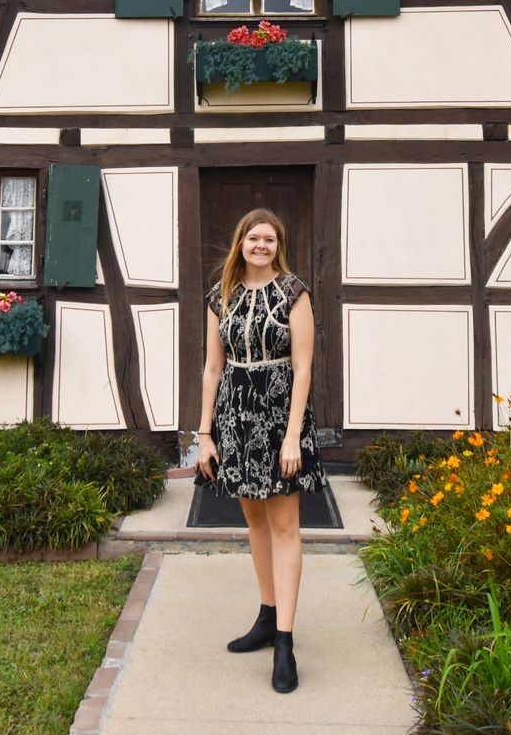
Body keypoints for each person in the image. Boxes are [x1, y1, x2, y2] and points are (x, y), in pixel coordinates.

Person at [195, 207, 328, 694]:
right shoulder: (220, 296)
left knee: (286, 526)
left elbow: (304, 369)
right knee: (253, 522)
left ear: (279, 246)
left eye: (269, 239)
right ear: (241, 242)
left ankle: (286, 642)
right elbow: (212, 369)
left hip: (278, 419)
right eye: (254, 238)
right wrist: (204, 434)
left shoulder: (294, 292)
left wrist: (293, 436)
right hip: (233, 418)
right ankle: (267, 617)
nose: (261, 246)